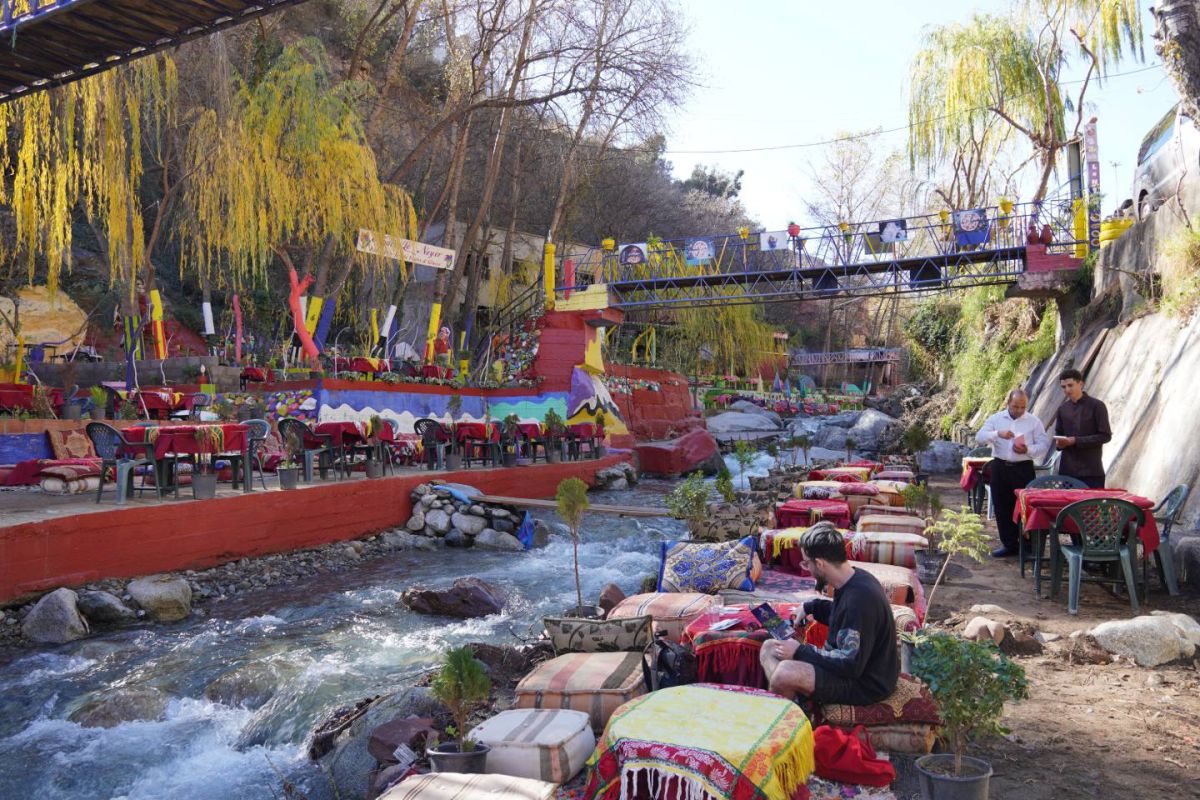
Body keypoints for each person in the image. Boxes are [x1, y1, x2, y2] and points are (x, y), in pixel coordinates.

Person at [760, 522, 899, 707]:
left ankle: (787, 722)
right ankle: (794, 703)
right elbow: (839, 614)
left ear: (820, 563)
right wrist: (810, 607)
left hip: (865, 684)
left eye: (806, 563)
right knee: (769, 648)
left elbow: (850, 665)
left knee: (785, 673)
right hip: (849, 666)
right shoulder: (854, 579)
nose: (806, 568)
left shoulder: (858, 600)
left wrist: (799, 651)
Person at [975, 389, 1050, 558]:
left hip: (1023, 468)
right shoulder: (996, 419)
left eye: (1022, 407)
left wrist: (1027, 449)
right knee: (1002, 507)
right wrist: (997, 434)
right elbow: (979, 437)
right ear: (1008, 403)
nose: (1019, 410)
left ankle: (1028, 546)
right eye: (1015, 406)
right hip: (1000, 467)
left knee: (1025, 507)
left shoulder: (1034, 421)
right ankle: (1009, 544)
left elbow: (1044, 444)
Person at [1053, 369, 1111, 488]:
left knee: (1093, 506)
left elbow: (1105, 436)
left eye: (1070, 385)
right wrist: (1059, 444)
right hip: (1067, 471)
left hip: (1091, 471)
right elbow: (1059, 435)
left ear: (1081, 384)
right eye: (1063, 387)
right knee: (1068, 506)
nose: (1067, 390)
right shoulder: (1062, 409)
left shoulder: (1097, 406)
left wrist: (1076, 441)